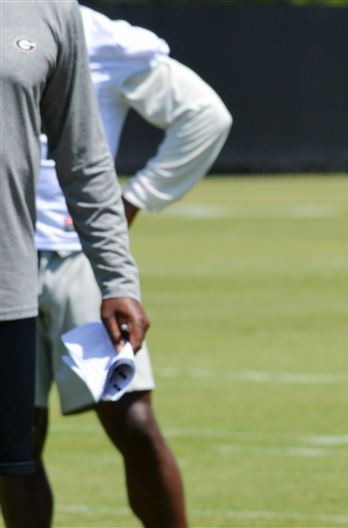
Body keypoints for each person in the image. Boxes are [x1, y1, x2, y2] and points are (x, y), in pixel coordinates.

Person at [1, 6, 232, 527]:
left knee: (132, 418)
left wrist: (137, 200)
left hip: (76, 254)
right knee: (16, 443)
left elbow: (206, 115)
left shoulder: (85, 30)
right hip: (5, 259)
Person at [0, 3, 149, 524]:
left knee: (13, 467)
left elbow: (84, 159)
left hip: (7, 293)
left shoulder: (49, 11)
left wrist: (117, 277)